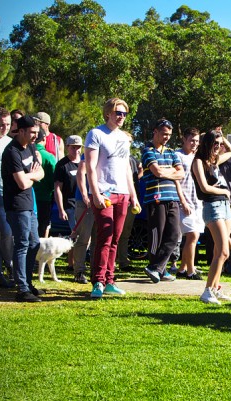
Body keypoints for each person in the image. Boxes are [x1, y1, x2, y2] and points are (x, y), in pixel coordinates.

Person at [85, 98, 140, 298]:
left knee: (116, 238)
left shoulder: (124, 138)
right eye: (118, 113)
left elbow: (126, 169)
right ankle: (98, 281)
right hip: (104, 193)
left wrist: (133, 196)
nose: (121, 117)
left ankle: (110, 280)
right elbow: (90, 167)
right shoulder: (96, 134)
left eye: (124, 114)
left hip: (123, 193)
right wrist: (95, 193)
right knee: (104, 237)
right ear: (108, 113)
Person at [2, 116, 45, 302]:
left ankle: (27, 282)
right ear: (21, 131)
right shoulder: (12, 152)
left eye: (37, 132)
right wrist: (32, 176)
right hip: (16, 204)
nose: (35, 136)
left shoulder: (31, 147)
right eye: (32, 132)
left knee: (34, 243)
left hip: (29, 202)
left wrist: (31, 176)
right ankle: (22, 289)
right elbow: (21, 183)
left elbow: (41, 172)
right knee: (22, 244)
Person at [192, 130, 231, 304]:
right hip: (213, 206)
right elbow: (204, 187)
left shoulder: (215, 160)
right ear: (207, 143)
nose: (218, 146)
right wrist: (224, 191)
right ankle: (207, 291)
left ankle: (215, 288)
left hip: (224, 207)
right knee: (223, 251)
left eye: (219, 144)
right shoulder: (199, 162)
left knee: (221, 252)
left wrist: (222, 135)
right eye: (215, 143)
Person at [142, 118, 185, 284]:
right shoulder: (148, 151)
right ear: (155, 132)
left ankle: (157, 268)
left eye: (169, 135)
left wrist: (164, 171)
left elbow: (181, 173)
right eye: (164, 134)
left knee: (174, 234)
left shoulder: (171, 152)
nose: (167, 137)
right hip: (156, 198)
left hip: (172, 198)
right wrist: (170, 170)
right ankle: (157, 268)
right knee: (156, 236)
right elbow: (157, 172)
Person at [174, 127, 204, 280]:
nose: (194, 144)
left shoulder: (198, 156)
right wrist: (182, 201)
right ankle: (191, 272)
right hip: (184, 202)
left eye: (197, 141)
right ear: (184, 139)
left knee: (194, 237)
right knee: (192, 235)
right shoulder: (177, 155)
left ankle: (182, 269)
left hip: (197, 201)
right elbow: (176, 180)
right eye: (192, 140)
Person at [54, 134, 82, 269]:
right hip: (70, 205)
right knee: (76, 233)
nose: (76, 150)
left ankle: (73, 263)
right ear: (67, 147)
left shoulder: (84, 162)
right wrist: (61, 209)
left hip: (84, 203)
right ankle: (73, 264)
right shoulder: (62, 165)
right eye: (73, 147)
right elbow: (57, 188)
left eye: (78, 147)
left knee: (79, 235)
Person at [71, 156, 95, 284]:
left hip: (103, 200)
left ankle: (97, 272)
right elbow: (80, 172)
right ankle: (79, 272)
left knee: (99, 239)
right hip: (85, 202)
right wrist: (85, 195)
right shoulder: (90, 150)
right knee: (84, 237)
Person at [0, 107, 14, 288]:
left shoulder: (10, 143)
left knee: (7, 233)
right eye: (1, 125)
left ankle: (9, 265)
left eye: (8, 125)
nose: (5, 128)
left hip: (5, 194)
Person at [33, 128, 56, 238]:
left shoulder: (26, 153)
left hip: (28, 196)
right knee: (43, 226)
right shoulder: (48, 157)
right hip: (45, 197)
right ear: (44, 139)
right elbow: (54, 179)